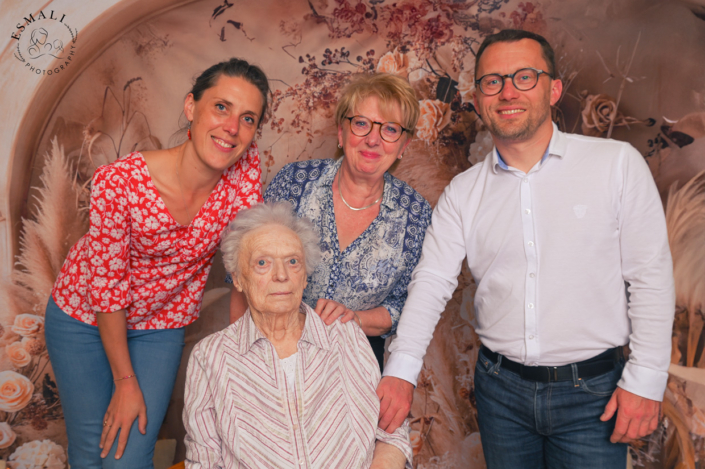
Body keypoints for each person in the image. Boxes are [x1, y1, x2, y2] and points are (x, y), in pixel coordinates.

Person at [377, 29, 675, 468]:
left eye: (524, 77)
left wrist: (647, 380)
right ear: (478, 99)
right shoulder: (463, 193)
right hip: (500, 394)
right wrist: (400, 372)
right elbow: (432, 283)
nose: (507, 91)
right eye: (493, 81)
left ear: (553, 89)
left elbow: (649, 276)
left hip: (594, 394)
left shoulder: (616, 165)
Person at [45, 58, 269, 468]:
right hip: (85, 318)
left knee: (127, 461)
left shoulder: (245, 171)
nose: (232, 128)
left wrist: (243, 359)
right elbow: (107, 290)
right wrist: (125, 382)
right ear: (191, 107)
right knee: (92, 448)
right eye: (221, 107)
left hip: (160, 325)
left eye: (248, 118)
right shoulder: (118, 183)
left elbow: (244, 269)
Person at [184, 202, 413, 468]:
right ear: (238, 279)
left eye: (293, 262)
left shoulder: (343, 333)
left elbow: (392, 432)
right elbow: (203, 461)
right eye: (262, 263)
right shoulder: (210, 356)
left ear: (304, 276)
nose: (281, 275)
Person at [229, 73, 432, 372]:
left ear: (403, 146)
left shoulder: (416, 212)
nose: (373, 139)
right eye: (361, 123)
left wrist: (355, 318)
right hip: (271, 348)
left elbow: (409, 306)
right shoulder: (294, 183)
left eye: (390, 129)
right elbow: (244, 269)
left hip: (352, 358)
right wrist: (240, 353)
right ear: (341, 132)